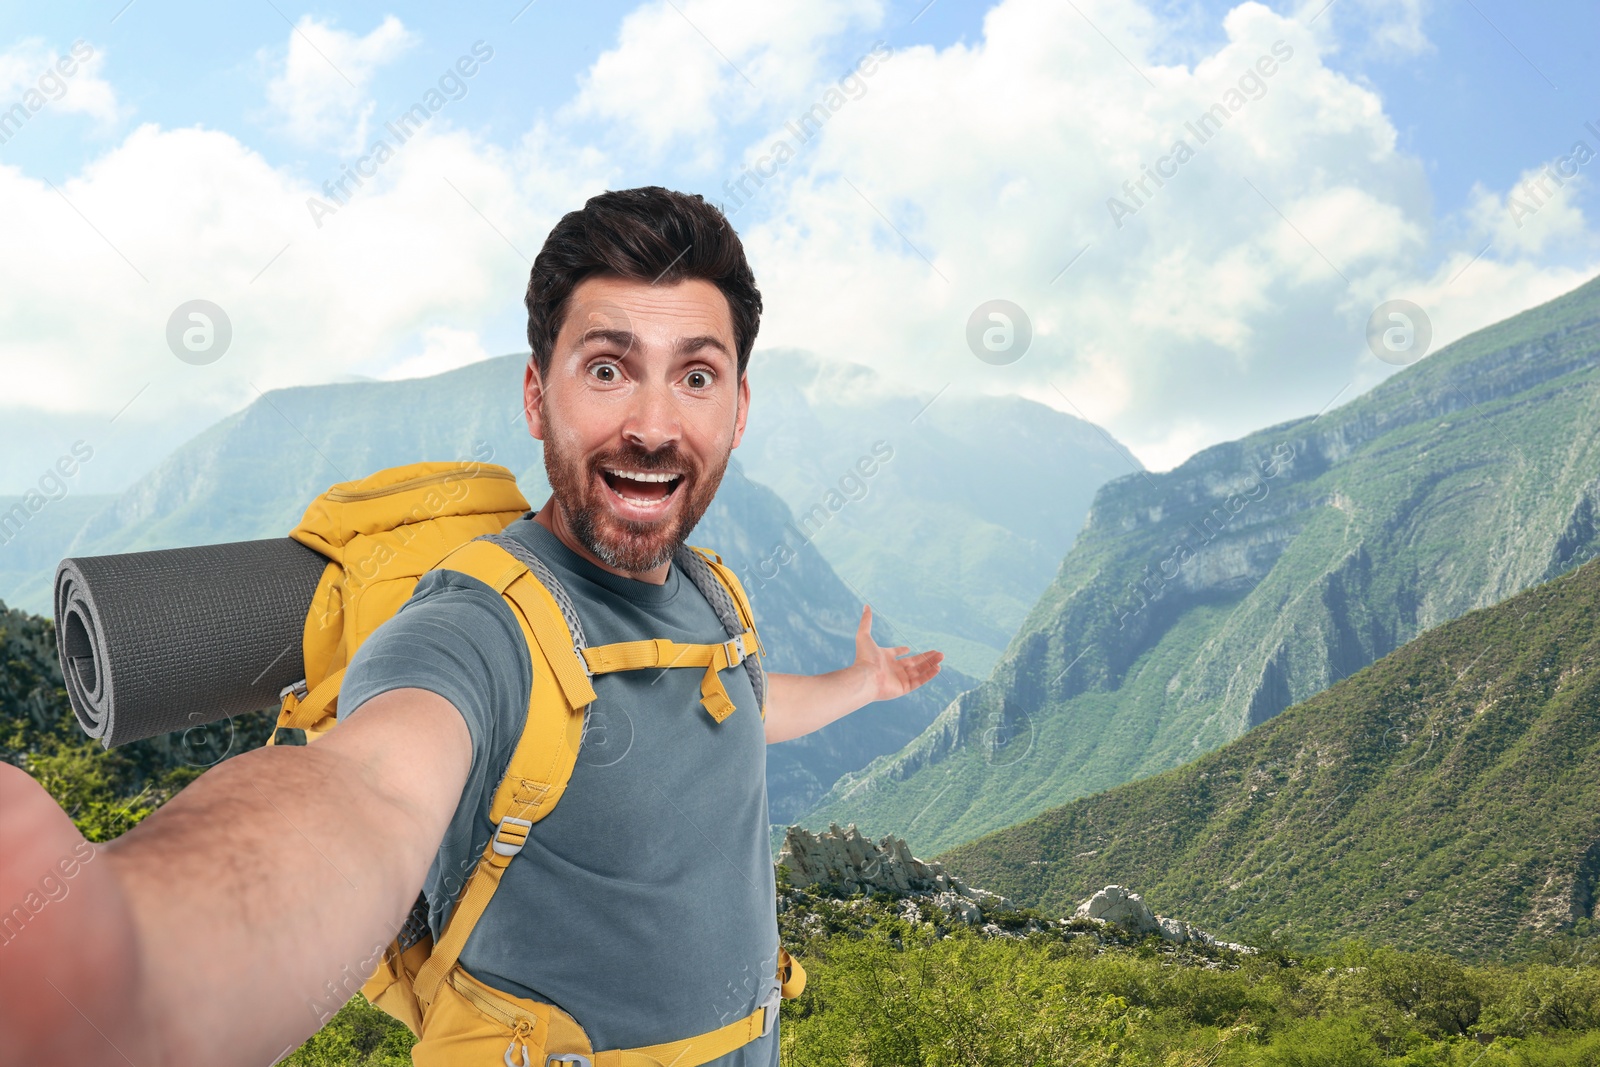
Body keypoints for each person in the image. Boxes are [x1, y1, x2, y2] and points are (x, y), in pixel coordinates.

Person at [0, 185, 944, 1067]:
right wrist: (133, 961)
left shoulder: (712, 594)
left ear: (738, 410)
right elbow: (367, 790)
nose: (655, 425)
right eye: (608, 368)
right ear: (538, 398)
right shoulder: (478, 626)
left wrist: (865, 683)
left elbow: (738, 706)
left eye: (696, 376)